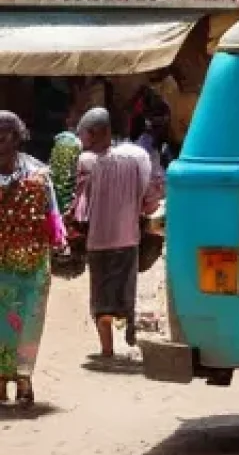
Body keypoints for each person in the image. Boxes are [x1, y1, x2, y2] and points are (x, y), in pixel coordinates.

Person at [72, 107, 161, 358]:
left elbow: (81, 210)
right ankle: (130, 323)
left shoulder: (88, 163)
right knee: (126, 288)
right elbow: (150, 200)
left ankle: (107, 349)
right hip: (128, 239)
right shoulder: (136, 159)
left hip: (98, 242)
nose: (83, 141)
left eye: (85, 135)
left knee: (101, 299)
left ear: (96, 133)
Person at [0, 112, 67, 406]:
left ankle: (24, 378)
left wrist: (59, 240)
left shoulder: (38, 173)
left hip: (32, 263)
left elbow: (52, 213)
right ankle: (1, 381)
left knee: (28, 320)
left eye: (4, 134)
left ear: (17, 137)